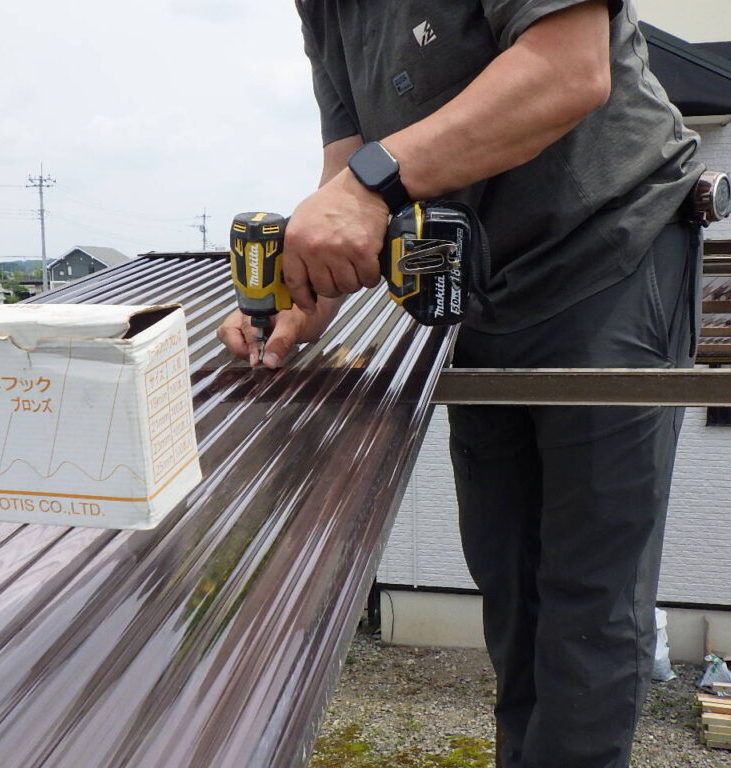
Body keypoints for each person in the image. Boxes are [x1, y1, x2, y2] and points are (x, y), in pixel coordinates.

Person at [218, 2, 704, 766]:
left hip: (609, 243)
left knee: (587, 598)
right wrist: (307, 293)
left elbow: (568, 69)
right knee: (510, 583)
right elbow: (350, 161)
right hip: (480, 278)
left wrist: (366, 188)